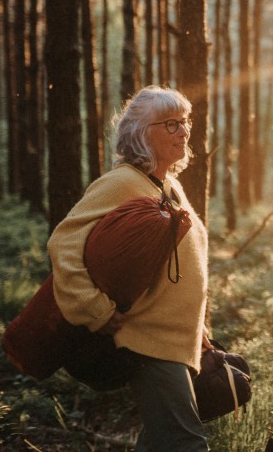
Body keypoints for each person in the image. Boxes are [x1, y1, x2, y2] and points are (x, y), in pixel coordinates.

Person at [47, 85, 211, 451]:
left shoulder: (169, 184)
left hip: (175, 339)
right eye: (170, 124)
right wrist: (93, 309)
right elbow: (64, 241)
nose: (183, 131)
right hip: (148, 340)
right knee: (187, 442)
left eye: (184, 122)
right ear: (139, 133)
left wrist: (197, 325)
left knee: (157, 440)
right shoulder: (122, 183)